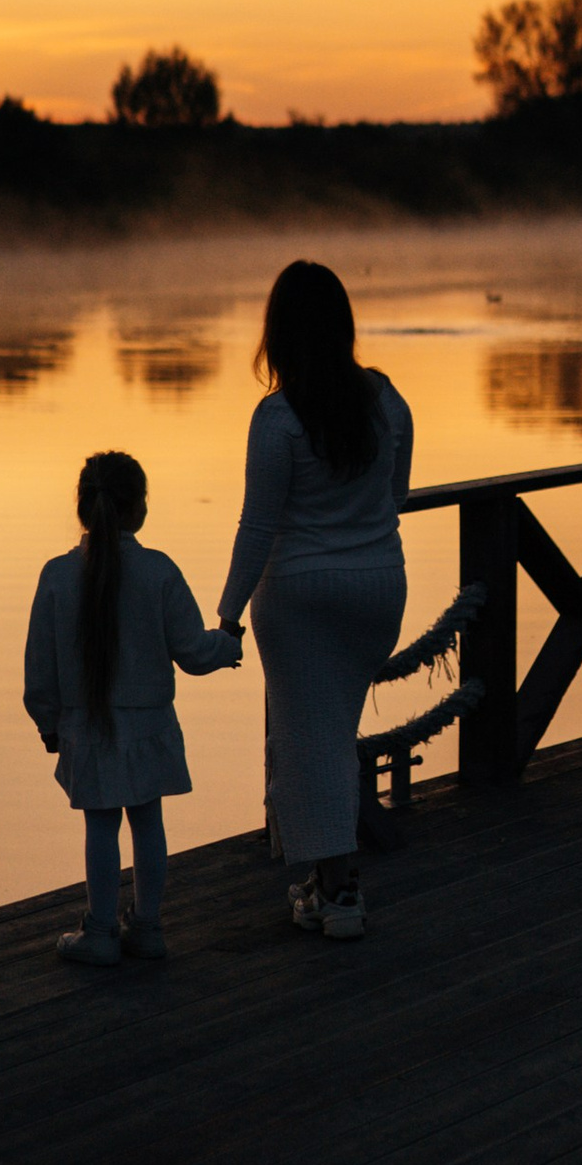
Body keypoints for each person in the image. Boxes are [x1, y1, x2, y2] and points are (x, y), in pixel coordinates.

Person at [217, 259, 412, 940]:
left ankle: (340, 892)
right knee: (330, 733)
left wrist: (227, 614)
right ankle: (322, 880)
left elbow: (259, 525)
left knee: (312, 743)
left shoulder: (278, 417)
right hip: (378, 587)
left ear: (280, 332)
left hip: (299, 594)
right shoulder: (387, 401)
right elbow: (398, 495)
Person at [24, 448, 241, 968]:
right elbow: (191, 652)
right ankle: (146, 927)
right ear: (138, 509)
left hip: (87, 727)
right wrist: (228, 642)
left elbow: (40, 667)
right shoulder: (158, 571)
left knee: (100, 826)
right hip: (150, 726)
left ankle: (99, 931)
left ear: (83, 507)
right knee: (148, 822)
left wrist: (48, 722)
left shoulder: (56, 576)